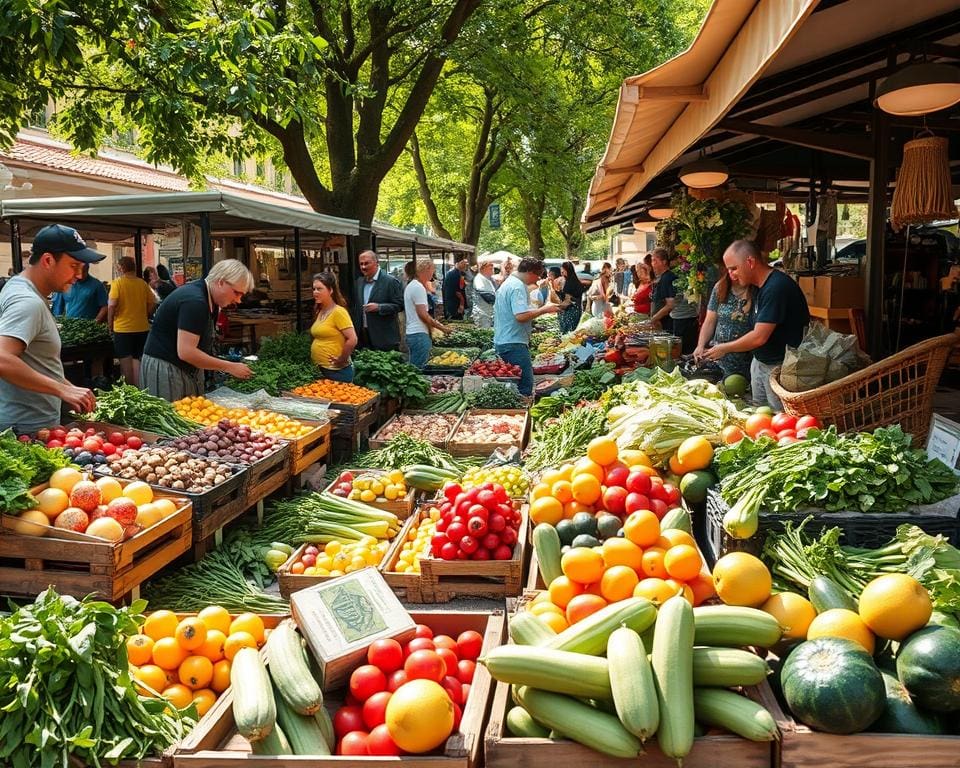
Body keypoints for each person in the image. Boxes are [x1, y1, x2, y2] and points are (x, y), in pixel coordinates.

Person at [0, 224, 103, 431]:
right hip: (26, 426)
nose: (79, 275)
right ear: (48, 260)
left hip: (26, 420)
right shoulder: (28, 301)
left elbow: (36, 362)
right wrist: (60, 390)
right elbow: (2, 357)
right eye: (74, 266)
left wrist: (68, 388)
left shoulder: (16, 286)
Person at [705, 239, 810, 409]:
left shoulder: (776, 287)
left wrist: (724, 348)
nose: (730, 274)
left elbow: (759, 337)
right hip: (761, 363)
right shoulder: (760, 287)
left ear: (750, 262)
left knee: (778, 418)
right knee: (760, 417)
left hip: (780, 370)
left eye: (733, 268)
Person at [141, 259, 254, 400]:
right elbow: (186, 352)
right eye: (237, 293)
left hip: (182, 368)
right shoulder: (195, 301)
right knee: (173, 417)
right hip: (167, 368)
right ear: (221, 282)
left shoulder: (207, 298)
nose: (238, 300)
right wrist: (229, 366)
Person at [493, 258, 561, 396]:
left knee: (513, 385)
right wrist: (544, 310)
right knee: (525, 386)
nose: (538, 279)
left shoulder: (510, 283)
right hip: (513, 342)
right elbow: (520, 316)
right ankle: (522, 412)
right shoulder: (517, 286)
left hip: (506, 339)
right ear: (530, 272)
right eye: (538, 275)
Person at [694, 267, 754, 380]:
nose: (732, 273)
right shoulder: (720, 287)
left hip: (745, 357)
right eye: (730, 269)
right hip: (718, 356)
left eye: (736, 268)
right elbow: (710, 321)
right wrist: (700, 345)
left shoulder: (756, 290)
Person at [108, 256, 156, 388]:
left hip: (123, 329)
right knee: (137, 360)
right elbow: (153, 302)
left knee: (125, 361)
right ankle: (141, 388)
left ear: (121, 268)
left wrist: (110, 323)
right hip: (141, 327)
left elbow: (111, 305)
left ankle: (130, 390)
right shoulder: (142, 283)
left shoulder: (117, 283)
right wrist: (145, 313)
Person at [405, 258, 453, 368]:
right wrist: (442, 328)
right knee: (419, 370)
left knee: (415, 367)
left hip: (413, 333)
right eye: (433, 270)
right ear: (426, 269)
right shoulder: (418, 287)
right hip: (419, 334)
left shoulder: (412, 285)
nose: (433, 273)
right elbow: (422, 314)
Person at [309, 271, 358, 382]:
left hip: (336, 371)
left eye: (319, 289)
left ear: (330, 290)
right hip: (320, 369)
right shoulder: (319, 310)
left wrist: (342, 359)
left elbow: (352, 339)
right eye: (314, 289)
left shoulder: (339, 312)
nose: (315, 292)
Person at [352, 250, 403, 351]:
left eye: (366, 263)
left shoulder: (390, 282)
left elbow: (400, 305)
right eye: (361, 264)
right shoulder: (359, 282)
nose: (363, 267)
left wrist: (379, 307)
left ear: (376, 263)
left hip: (384, 337)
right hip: (363, 336)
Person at [556, 260, 585, 333]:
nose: (562, 272)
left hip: (571, 312)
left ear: (567, 270)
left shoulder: (570, 283)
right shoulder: (573, 281)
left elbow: (568, 299)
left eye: (563, 270)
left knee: (568, 333)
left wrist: (558, 307)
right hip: (575, 310)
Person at [472, 259, 497, 329]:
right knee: (483, 333)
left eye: (492, 268)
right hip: (482, 314)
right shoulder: (479, 279)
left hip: (488, 313)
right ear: (483, 269)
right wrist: (499, 301)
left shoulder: (488, 279)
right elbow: (486, 295)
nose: (492, 270)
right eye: (490, 269)